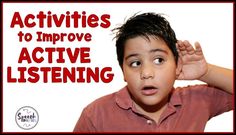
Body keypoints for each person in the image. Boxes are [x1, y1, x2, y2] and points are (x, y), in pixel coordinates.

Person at [73, 13, 233, 132]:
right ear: (123, 72)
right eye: (135, 63)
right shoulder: (95, 115)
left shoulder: (197, 100)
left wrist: (206, 72)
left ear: (177, 65)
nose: (146, 73)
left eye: (159, 60)